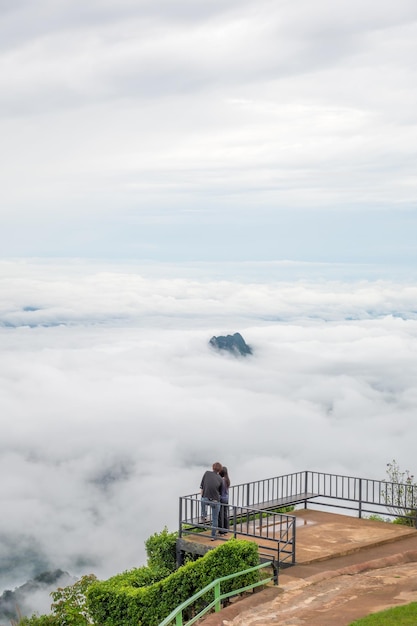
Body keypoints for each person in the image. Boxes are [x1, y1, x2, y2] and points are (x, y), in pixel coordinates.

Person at [200, 462, 223, 540]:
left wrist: (203, 496)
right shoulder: (220, 479)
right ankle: (213, 536)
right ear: (219, 470)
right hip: (215, 501)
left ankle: (204, 515)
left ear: (212, 467)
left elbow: (202, 487)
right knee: (215, 518)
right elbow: (221, 492)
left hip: (205, 499)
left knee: (202, 500)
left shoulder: (206, 473)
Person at [218, 466, 230, 535]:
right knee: (225, 514)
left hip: (221, 499)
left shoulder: (221, 480)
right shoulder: (227, 480)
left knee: (220, 515)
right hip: (226, 498)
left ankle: (221, 530)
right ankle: (226, 529)